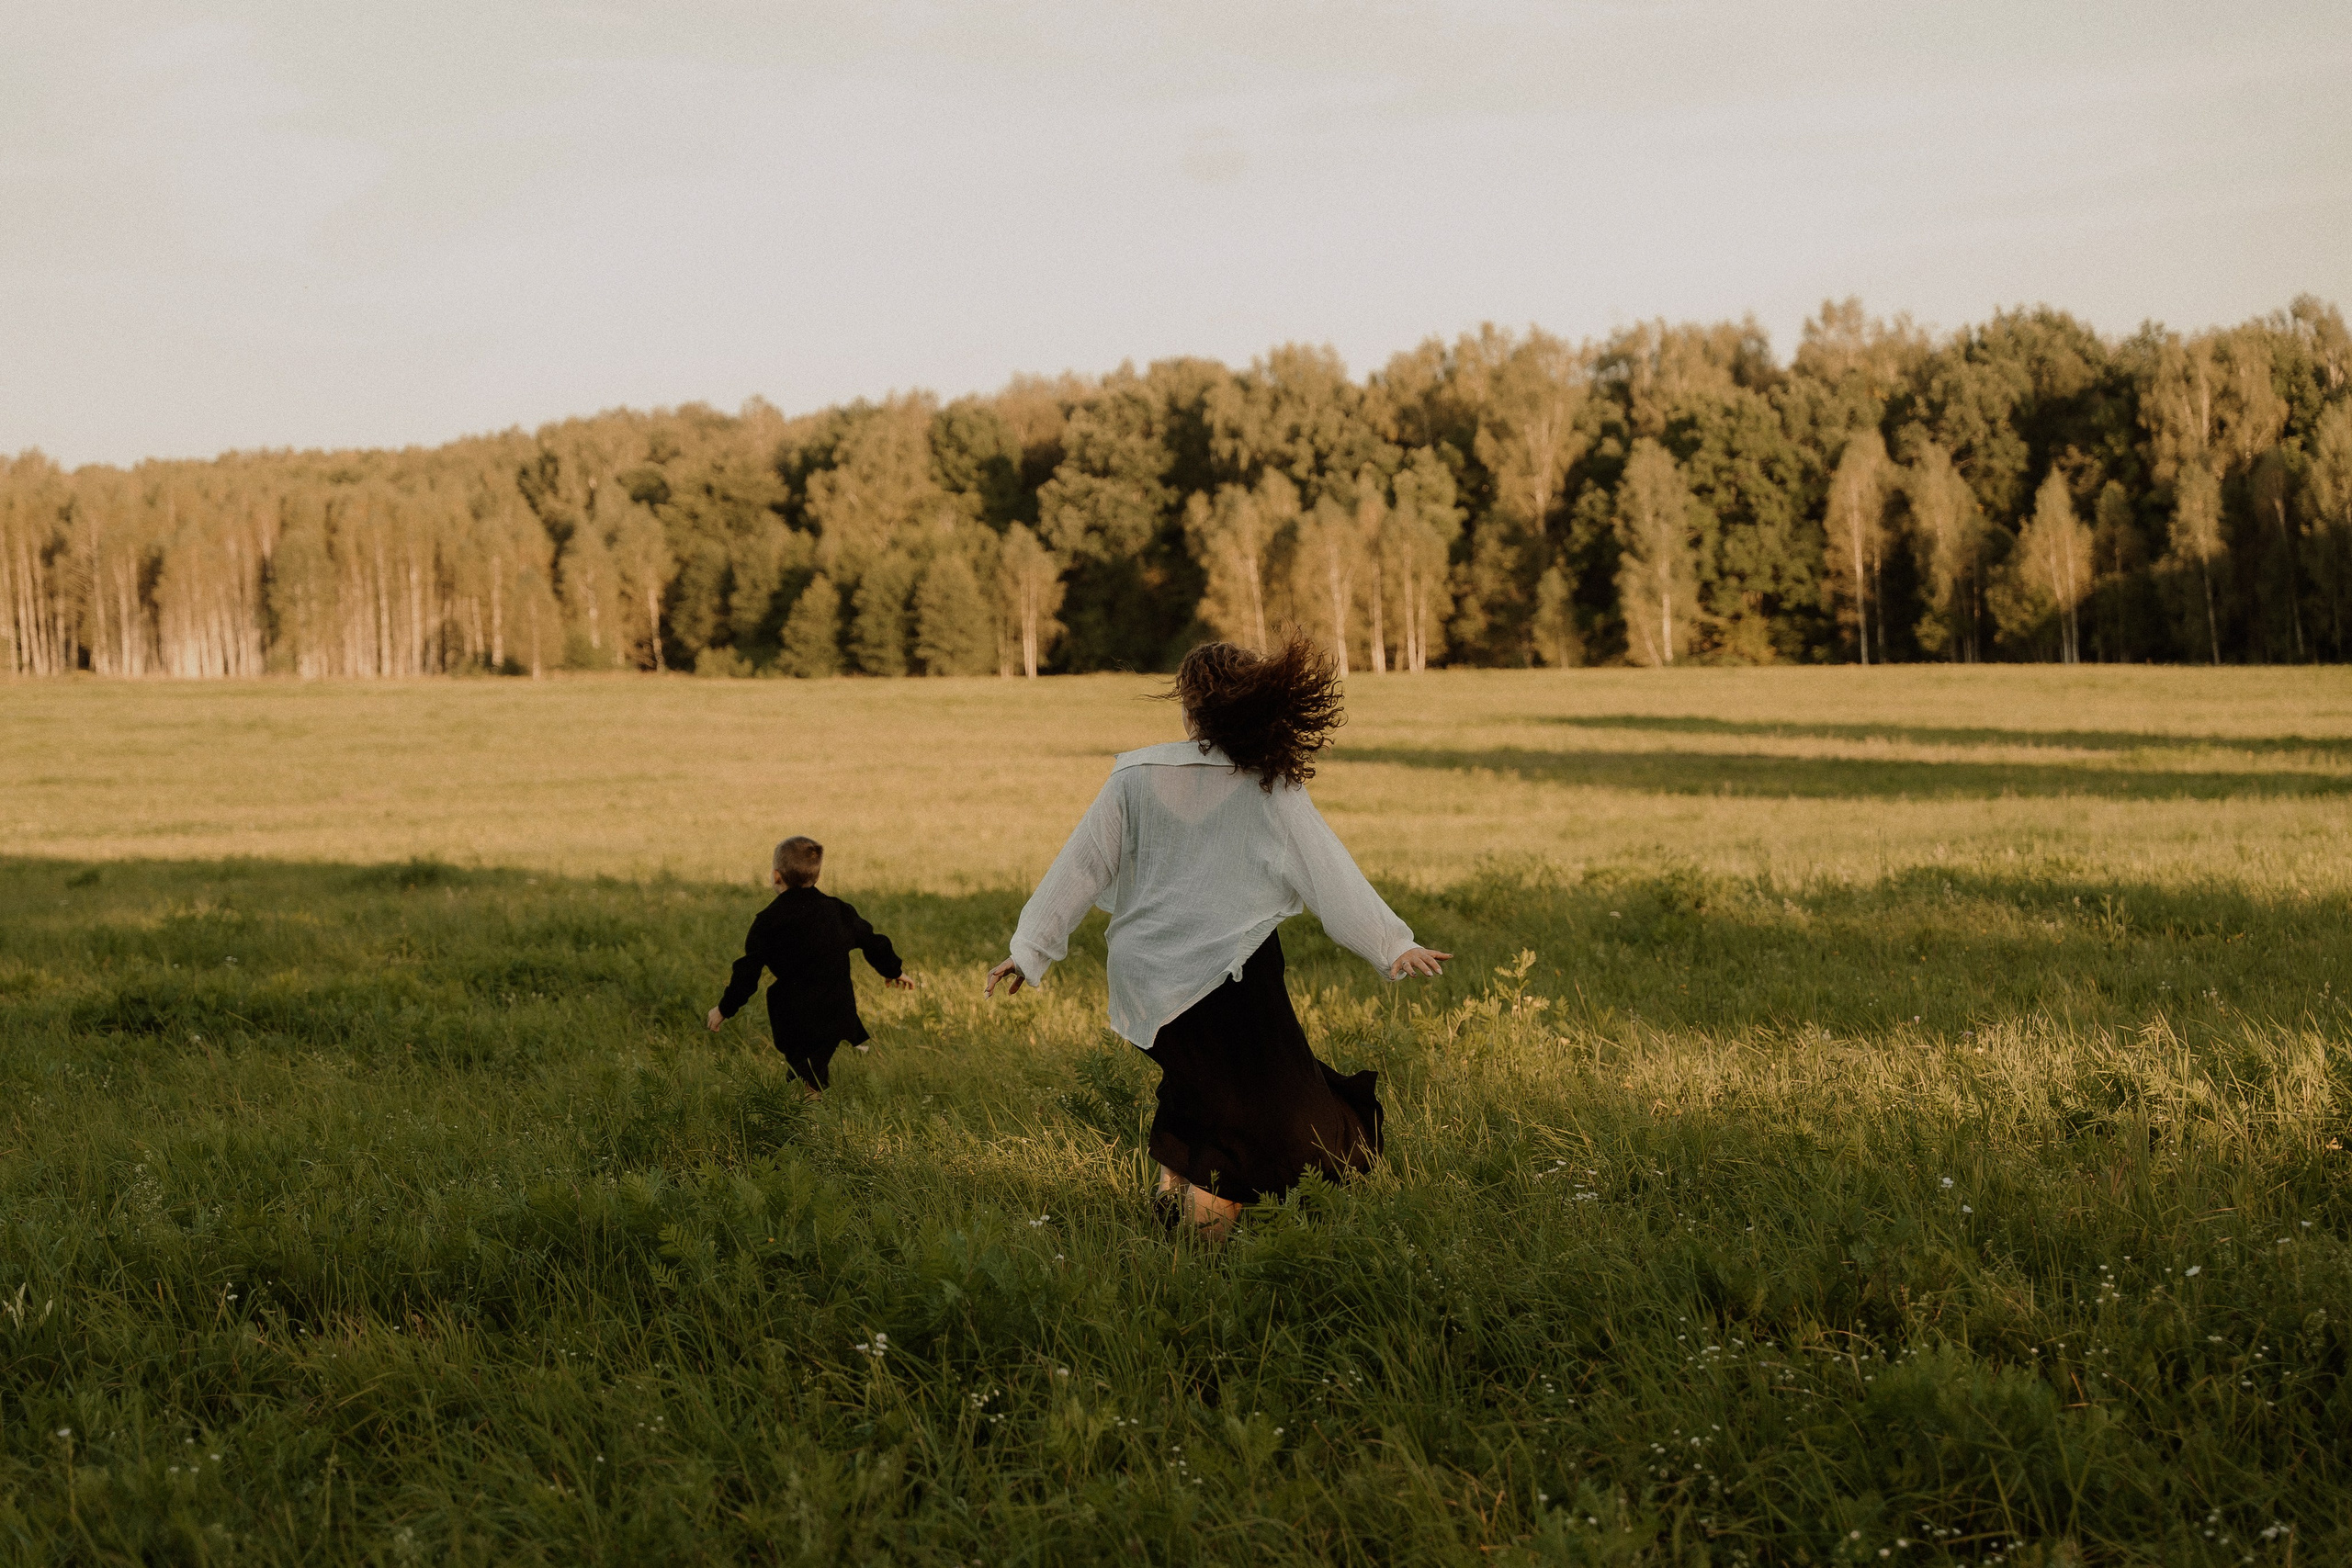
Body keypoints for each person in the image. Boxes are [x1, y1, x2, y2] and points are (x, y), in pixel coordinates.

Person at [986, 635, 1450, 1238]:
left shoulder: (1134, 775)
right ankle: (1203, 1254)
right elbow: (1329, 872)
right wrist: (1393, 943)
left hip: (1148, 975)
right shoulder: (1268, 783)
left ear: (1189, 705)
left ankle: (1168, 1214)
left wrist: (1029, 950)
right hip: (1234, 974)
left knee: (1202, 1086)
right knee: (1251, 1117)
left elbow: (1081, 867)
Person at [707, 835, 915, 1095]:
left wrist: (724, 1009)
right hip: (836, 1007)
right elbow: (873, 942)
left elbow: (747, 974)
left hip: (793, 1013)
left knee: (805, 1069)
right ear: (816, 876)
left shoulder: (768, 921)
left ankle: (805, 1109)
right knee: (810, 1068)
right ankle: (809, 1105)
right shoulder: (838, 911)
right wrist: (894, 971)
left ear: (776, 876)